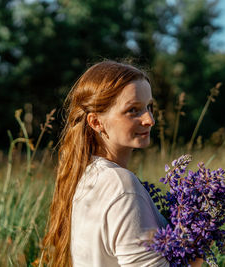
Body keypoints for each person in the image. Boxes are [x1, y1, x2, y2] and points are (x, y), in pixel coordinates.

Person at [42, 60, 203, 267]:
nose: (149, 119)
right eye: (133, 110)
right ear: (96, 122)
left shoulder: (87, 177)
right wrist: (195, 260)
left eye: (149, 107)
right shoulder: (121, 185)